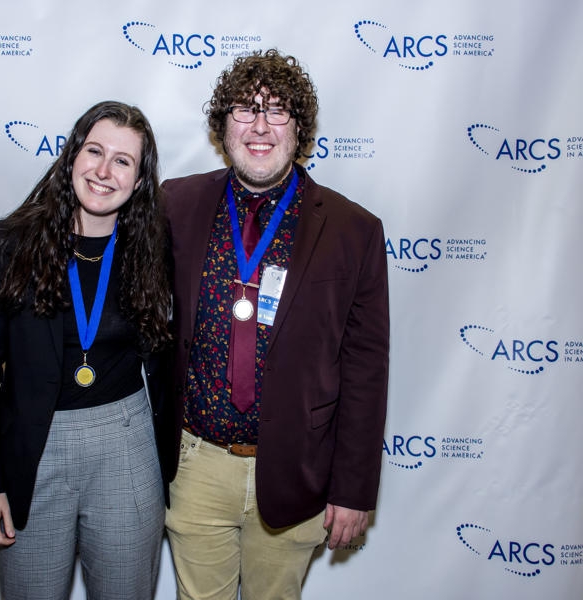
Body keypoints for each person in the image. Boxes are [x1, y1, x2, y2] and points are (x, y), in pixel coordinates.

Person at [159, 49, 389, 599]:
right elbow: (111, 272)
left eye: (277, 110)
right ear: (223, 126)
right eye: (245, 108)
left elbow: (366, 369)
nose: (260, 126)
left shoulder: (353, 230)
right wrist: (18, 276)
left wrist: (353, 489)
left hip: (295, 469)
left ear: (300, 128)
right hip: (195, 465)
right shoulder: (175, 204)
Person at [0, 101, 171, 600]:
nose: (104, 170)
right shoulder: (11, 242)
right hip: (34, 448)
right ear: (72, 155)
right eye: (94, 151)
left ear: (140, 179)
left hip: (126, 445)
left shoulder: (154, 246)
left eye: (123, 160)